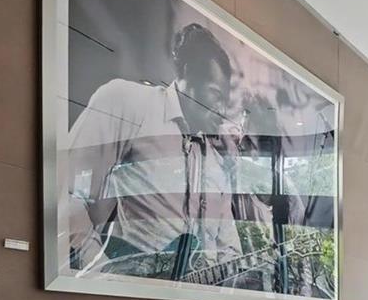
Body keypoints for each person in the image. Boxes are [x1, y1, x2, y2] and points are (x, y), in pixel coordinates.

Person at [62, 23, 244, 279]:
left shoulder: (214, 156)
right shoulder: (126, 101)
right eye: (215, 94)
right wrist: (101, 270)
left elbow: (229, 246)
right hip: (129, 291)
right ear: (188, 74)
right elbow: (63, 192)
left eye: (224, 101)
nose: (220, 109)